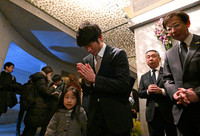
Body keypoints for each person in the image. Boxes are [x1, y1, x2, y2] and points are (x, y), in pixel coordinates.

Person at [76, 21, 133, 136]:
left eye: (90, 45)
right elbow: (88, 92)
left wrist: (95, 79)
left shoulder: (118, 54)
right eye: (85, 47)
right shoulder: (87, 60)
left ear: (100, 37)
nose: (88, 50)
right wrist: (87, 83)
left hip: (116, 119)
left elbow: (123, 85)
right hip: (95, 120)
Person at [163, 11, 200, 136]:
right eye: (169, 29)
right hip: (181, 113)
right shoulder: (169, 53)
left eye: (176, 25)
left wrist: (197, 93)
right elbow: (167, 79)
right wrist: (175, 94)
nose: (173, 31)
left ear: (187, 23)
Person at [138, 50, 177, 136]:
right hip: (152, 115)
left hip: (168, 112)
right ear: (146, 60)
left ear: (159, 59)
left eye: (153, 56)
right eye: (148, 57)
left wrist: (162, 91)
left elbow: (175, 89)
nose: (150, 59)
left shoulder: (168, 72)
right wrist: (148, 91)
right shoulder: (144, 77)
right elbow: (140, 93)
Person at [22, 66, 53, 136]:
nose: (50, 77)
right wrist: (52, 88)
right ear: (48, 73)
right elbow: (45, 92)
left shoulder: (38, 78)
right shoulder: (41, 79)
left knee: (29, 129)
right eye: (51, 75)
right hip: (36, 106)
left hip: (34, 105)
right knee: (31, 130)